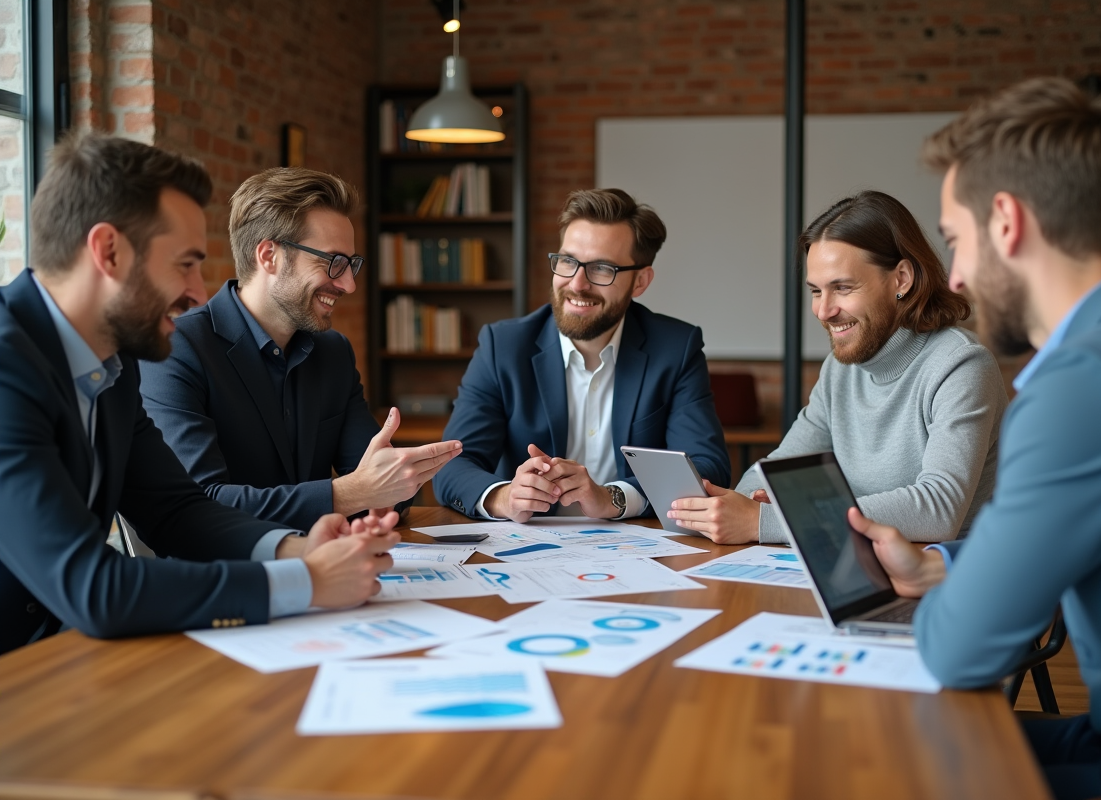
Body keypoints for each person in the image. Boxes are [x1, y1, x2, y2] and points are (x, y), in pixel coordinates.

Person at [850, 78, 1101, 799]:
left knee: (861, 760)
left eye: (955, 241)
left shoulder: (1086, 381)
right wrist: (941, 566)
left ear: (1005, 221)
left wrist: (951, 595)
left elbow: (961, 649)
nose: (956, 276)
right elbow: (1070, 540)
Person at [0, 132, 401, 656]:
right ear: (109, 252)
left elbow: (176, 513)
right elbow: (92, 587)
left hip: (56, 661)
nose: (196, 290)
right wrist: (305, 582)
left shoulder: (112, 363)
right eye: (184, 263)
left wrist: (296, 549)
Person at [668, 191, 1008, 544]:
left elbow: (939, 509)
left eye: (843, 288)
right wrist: (748, 504)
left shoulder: (961, 365)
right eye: (816, 291)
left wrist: (766, 522)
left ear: (901, 279)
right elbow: (774, 471)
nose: (823, 310)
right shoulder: (840, 369)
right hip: (856, 564)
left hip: (944, 579)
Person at [139, 168, 461, 530]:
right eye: (333, 262)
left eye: (352, 265)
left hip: (333, 567)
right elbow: (200, 506)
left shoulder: (333, 352)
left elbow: (383, 484)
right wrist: (350, 494)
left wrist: (392, 487)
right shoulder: (175, 349)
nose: (349, 285)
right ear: (269, 256)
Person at [433, 188, 730, 521]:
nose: (576, 284)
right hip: (527, 548)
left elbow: (707, 467)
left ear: (640, 282)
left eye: (602, 268)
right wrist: (503, 497)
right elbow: (453, 464)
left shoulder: (675, 347)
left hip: (637, 550)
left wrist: (612, 498)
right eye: (567, 261)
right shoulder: (502, 345)